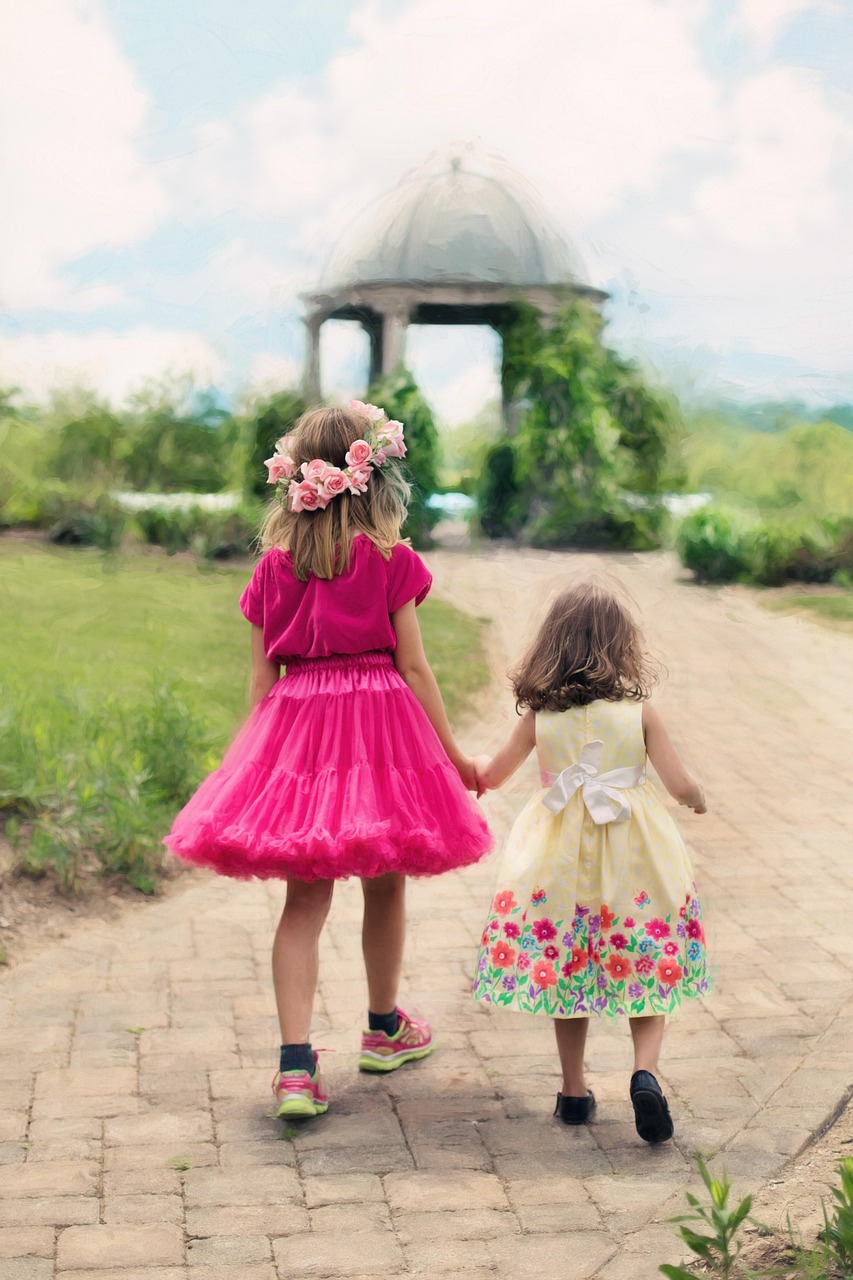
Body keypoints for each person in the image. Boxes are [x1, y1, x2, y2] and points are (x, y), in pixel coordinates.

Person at [165, 402, 492, 1119]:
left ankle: (293, 1067)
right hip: (378, 729)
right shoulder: (388, 560)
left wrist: (242, 774)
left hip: (299, 731)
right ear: (371, 479)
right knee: (385, 879)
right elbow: (413, 668)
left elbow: (260, 685)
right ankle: (382, 1028)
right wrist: (455, 755)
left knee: (304, 898)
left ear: (295, 482)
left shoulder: (272, 570)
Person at [471, 579, 708, 1144]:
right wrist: (697, 798)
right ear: (621, 646)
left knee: (567, 967)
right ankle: (645, 1072)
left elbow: (493, 773)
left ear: (551, 646)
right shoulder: (638, 712)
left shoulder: (540, 717)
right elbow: (678, 783)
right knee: (647, 959)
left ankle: (574, 1092)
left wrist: (459, 762)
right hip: (634, 860)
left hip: (560, 864)